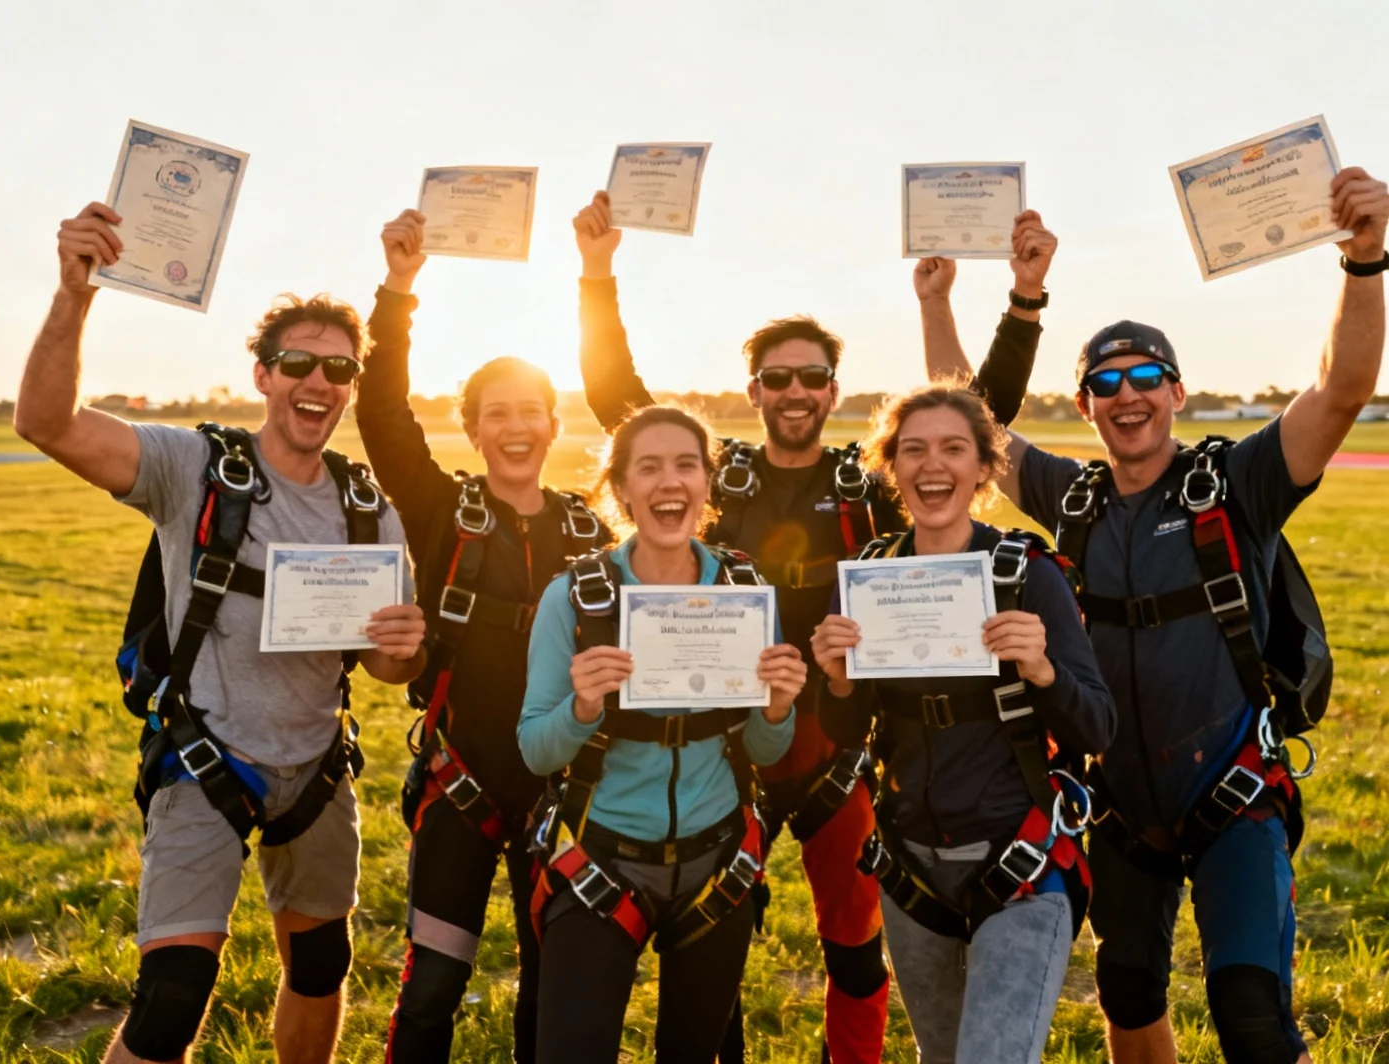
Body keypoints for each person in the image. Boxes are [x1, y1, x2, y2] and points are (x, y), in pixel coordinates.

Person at [571, 190, 1057, 1061]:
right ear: (753, 388)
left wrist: (1021, 302)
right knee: (711, 946)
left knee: (855, 952)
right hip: (735, 746)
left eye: (811, 378)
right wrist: (597, 278)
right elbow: (621, 406)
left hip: (837, 751)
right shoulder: (725, 482)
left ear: (833, 390)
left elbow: (977, 415)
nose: (794, 392)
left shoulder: (869, 486)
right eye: (777, 378)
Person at [921, 167, 1389, 1063]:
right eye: (1106, 381)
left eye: (1146, 376)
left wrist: (1363, 261)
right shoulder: (1072, 497)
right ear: (1088, 403)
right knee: (1128, 996)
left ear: (1175, 392)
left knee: (1251, 1011)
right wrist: (953, 300)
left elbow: (1340, 389)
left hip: (1231, 792)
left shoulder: (1236, 484)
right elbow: (968, 422)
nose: (1126, 393)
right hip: (1118, 803)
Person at [14, 202, 427, 1064]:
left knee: (320, 965)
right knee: (170, 1003)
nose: (319, 383)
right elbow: (47, 423)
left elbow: (392, 670)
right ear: (263, 375)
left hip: (315, 765)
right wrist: (74, 297)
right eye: (298, 364)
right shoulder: (195, 468)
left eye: (338, 370)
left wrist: (399, 646)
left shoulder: (367, 508)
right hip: (205, 759)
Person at [352, 210, 607, 1063]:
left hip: (561, 793)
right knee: (432, 986)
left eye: (533, 409)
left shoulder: (589, 533)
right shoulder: (442, 512)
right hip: (459, 787)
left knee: (551, 984)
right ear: (472, 427)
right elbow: (382, 413)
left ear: (553, 425)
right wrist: (398, 293)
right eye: (498, 412)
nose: (517, 425)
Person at [811, 384, 1115, 1063]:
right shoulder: (868, 578)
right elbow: (847, 730)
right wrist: (835, 679)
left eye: (954, 448)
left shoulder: (1027, 575)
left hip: (1021, 865)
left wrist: (1043, 671)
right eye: (912, 450)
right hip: (911, 872)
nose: (932, 466)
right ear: (890, 467)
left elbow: (1098, 728)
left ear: (984, 467)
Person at [518, 404, 804, 1063]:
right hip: (601, 859)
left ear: (708, 483)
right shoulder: (578, 597)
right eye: (648, 467)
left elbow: (763, 752)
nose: (668, 482)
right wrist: (584, 706)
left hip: (717, 858)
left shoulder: (743, 590)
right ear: (619, 487)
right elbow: (537, 749)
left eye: (685, 465)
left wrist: (779, 707)